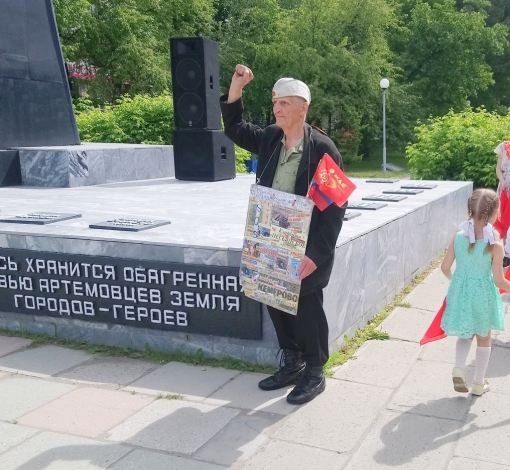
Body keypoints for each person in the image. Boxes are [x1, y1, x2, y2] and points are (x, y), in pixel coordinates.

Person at [220, 65, 346, 405]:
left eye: (285, 103)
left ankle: (315, 370)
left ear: (303, 107)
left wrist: (316, 255)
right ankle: (293, 362)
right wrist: (236, 88)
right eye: (276, 103)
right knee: (274, 300)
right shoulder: (271, 139)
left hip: (306, 245)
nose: (277, 109)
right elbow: (233, 126)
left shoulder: (322, 148)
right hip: (271, 239)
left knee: (305, 307)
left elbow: (335, 208)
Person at [441, 188, 510, 396]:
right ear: (494, 213)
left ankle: (459, 368)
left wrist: (457, 283)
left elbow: (444, 268)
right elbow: (499, 280)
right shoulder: (494, 246)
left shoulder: (458, 238)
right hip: (484, 296)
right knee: (484, 336)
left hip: (462, 293)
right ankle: (479, 383)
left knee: (465, 332)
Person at [494, 141, 510, 266]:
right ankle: (506, 253)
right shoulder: (504, 147)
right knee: (505, 219)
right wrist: (502, 181)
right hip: (505, 187)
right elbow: (498, 169)